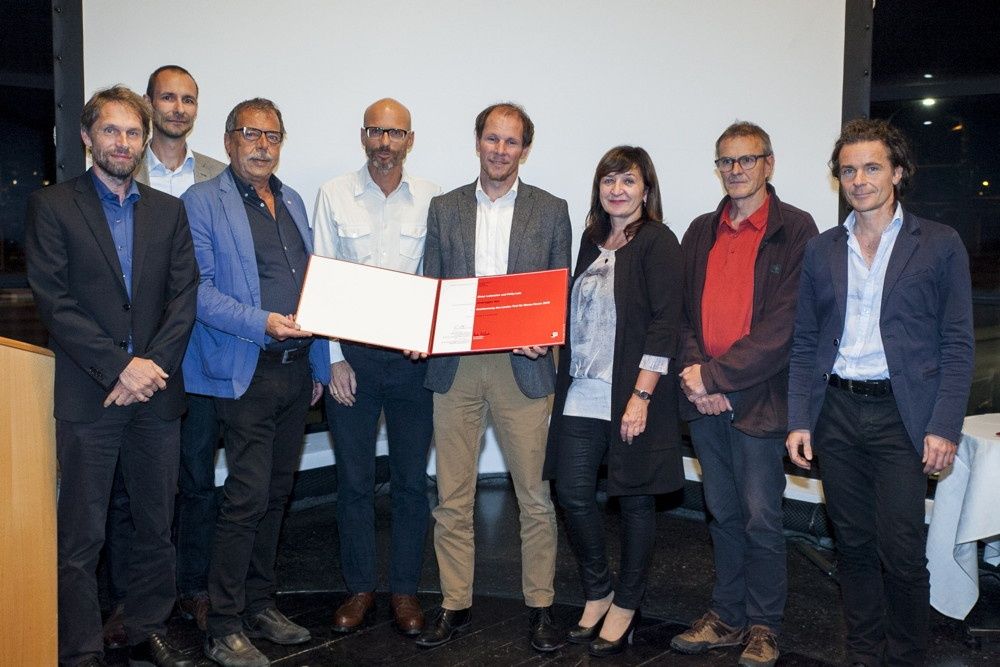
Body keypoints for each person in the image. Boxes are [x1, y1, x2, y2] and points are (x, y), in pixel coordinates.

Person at [786, 118, 974, 666]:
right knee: (853, 546)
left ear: (897, 172)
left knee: (903, 552)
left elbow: (958, 343)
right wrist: (800, 419)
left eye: (872, 167)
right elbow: (805, 341)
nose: (859, 180)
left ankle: (908, 656)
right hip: (836, 412)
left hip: (901, 417)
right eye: (849, 170)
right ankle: (864, 653)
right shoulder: (822, 249)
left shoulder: (939, 243)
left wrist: (944, 426)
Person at [26, 84, 197, 667]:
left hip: (156, 396)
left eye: (132, 132)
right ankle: (79, 649)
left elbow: (184, 298)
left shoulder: (169, 211)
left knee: (156, 526)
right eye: (111, 130)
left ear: (144, 141)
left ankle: (147, 627)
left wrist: (150, 368)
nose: (122, 142)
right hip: (89, 395)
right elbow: (55, 302)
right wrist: (121, 366)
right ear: (86, 136)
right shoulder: (53, 207)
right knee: (81, 536)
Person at [413, 102, 572, 652]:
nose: (500, 150)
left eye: (511, 141)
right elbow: (433, 283)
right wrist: (422, 329)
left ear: (524, 149)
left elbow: (558, 290)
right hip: (455, 367)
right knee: (452, 496)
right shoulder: (445, 207)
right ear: (477, 141)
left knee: (535, 497)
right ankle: (454, 603)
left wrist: (547, 334)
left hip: (522, 367)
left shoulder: (551, 210)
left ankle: (541, 606)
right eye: (492, 138)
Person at [181, 98, 330, 667]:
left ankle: (260, 604)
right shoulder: (202, 202)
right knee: (245, 498)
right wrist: (262, 322)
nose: (263, 145)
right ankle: (223, 624)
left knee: (277, 493)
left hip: (296, 371)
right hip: (246, 370)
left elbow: (314, 288)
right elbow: (199, 293)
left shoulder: (291, 200)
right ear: (228, 141)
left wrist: (319, 366)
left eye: (272, 136)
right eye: (250, 134)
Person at [670, 122, 818, 667]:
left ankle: (764, 626)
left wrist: (717, 379)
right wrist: (697, 376)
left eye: (747, 159)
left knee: (761, 517)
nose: (735, 170)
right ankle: (726, 616)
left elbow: (785, 325)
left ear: (768, 164)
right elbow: (683, 314)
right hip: (704, 399)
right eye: (726, 161)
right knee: (722, 513)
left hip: (759, 400)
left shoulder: (796, 229)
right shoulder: (700, 230)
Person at [102, 65, 226, 647]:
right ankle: (129, 602)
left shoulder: (220, 176)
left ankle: (193, 588)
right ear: (150, 104)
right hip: (133, 363)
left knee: (197, 481)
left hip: (199, 356)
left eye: (188, 99)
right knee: (129, 491)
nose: (178, 108)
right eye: (168, 98)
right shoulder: (122, 169)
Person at [543, 145, 684, 657]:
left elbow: (666, 323)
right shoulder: (590, 240)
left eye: (628, 180)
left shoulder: (658, 241)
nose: (617, 189)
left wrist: (641, 395)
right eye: (609, 180)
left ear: (646, 189)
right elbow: (570, 311)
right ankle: (599, 589)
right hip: (582, 391)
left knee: (636, 499)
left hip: (633, 393)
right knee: (572, 492)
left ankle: (627, 601)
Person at [312, 98, 440, 636]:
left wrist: (430, 341)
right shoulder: (334, 193)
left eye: (395, 133)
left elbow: (439, 279)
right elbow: (321, 277)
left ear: (410, 139)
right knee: (354, 481)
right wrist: (333, 358)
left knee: (411, 482)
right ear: (363, 136)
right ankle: (361, 587)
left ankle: (405, 591)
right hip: (354, 361)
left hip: (413, 363)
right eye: (376, 131)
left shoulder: (433, 199)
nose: (385, 142)